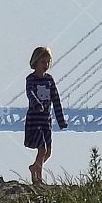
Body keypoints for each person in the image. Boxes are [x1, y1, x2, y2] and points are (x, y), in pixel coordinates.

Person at [25, 46, 67, 185]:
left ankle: (34, 168)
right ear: (35, 62)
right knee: (41, 148)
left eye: (48, 62)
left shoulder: (49, 80)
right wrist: (37, 104)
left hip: (46, 122)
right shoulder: (30, 79)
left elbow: (56, 99)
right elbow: (30, 93)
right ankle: (38, 178)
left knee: (48, 152)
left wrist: (61, 120)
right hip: (34, 120)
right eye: (43, 62)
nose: (46, 65)